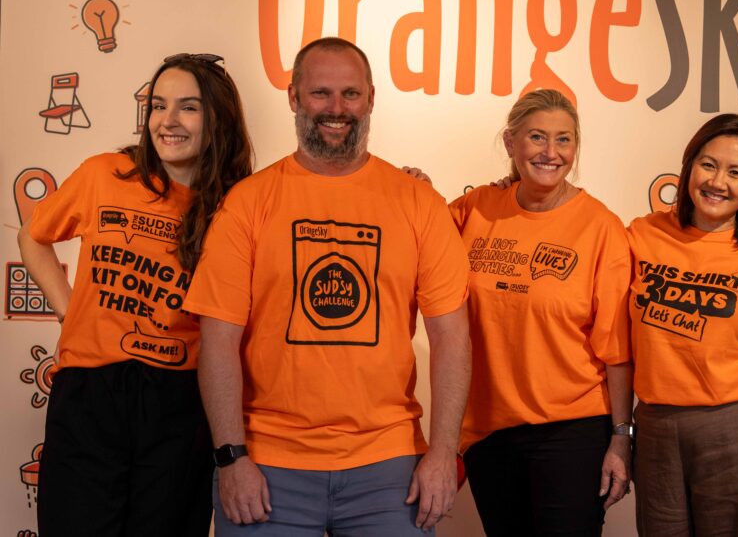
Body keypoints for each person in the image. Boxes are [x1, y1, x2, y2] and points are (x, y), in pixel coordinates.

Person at [185, 37, 471, 536]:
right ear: (294, 97)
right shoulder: (248, 203)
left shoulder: (419, 204)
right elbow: (218, 340)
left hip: (389, 467)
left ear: (371, 99)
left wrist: (443, 452)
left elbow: (451, 338)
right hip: (267, 466)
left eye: (351, 94)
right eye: (320, 93)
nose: (337, 109)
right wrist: (231, 457)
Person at [18, 53, 254, 537]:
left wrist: (405, 182)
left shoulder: (237, 207)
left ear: (219, 119)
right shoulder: (105, 173)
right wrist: (70, 312)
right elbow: (33, 236)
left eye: (188, 107)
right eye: (159, 105)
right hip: (89, 393)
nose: (168, 120)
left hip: (179, 401)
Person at [448, 89, 633, 536]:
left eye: (563, 140)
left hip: (572, 432)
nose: (551, 152)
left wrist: (621, 438)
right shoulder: (476, 208)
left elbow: (617, 351)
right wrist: (411, 186)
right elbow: (414, 233)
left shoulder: (601, 227)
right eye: (537, 137)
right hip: (489, 433)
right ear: (511, 143)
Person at [627, 114, 738, 537]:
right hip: (657, 430)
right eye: (708, 164)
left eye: (736, 172)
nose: (717, 181)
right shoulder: (642, 234)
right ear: (689, 166)